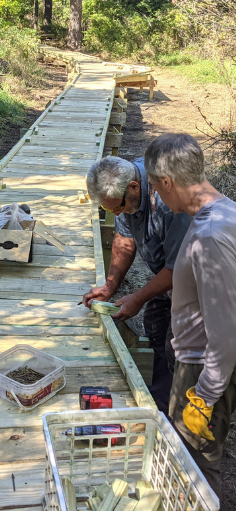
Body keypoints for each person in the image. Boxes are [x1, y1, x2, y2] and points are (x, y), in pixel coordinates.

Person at [145, 133, 236, 500]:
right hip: (201, 366)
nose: (156, 197)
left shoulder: (209, 236)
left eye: (154, 188)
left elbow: (227, 330)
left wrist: (205, 395)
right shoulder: (225, 210)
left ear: (166, 182)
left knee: (196, 467)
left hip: (201, 372)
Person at [82, 156, 191, 413]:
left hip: (198, 284)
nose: (116, 213)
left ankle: (183, 413)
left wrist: (139, 297)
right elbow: (124, 239)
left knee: (180, 349)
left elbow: (180, 268)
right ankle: (159, 399)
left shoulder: (170, 202)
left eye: (117, 208)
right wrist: (110, 286)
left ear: (134, 187)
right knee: (156, 332)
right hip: (171, 276)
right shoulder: (123, 190)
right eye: (109, 212)